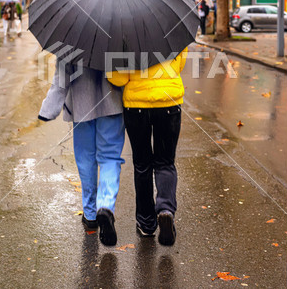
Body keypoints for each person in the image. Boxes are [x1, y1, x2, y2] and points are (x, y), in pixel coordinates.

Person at [38, 60, 125, 246]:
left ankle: (91, 215)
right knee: (110, 158)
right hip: (113, 103)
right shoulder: (121, 32)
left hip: (81, 104)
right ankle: (106, 206)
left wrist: (48, 109)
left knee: (86, 159)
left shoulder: (71, 37)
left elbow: (61, 78)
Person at [107, 48, 187, 246]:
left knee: (142, 165)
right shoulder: (172, 30)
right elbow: (179, 65)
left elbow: (117, 79)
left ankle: (147, 224)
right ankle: (166, 210)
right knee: (165, 162)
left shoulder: (123, 38)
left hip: (136, 107)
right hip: (169, 102)